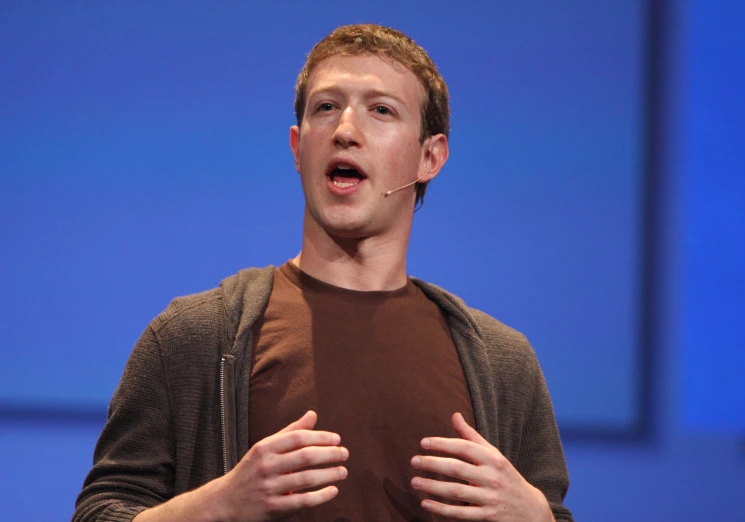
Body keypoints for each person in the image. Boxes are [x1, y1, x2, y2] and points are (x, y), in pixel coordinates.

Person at [73, 24, 573, 522]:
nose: (345, 130)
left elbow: (551, 512)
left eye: (381, 110)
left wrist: (536, 518)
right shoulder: (193, 338)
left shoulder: (504, 364)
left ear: (429, 156)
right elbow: (100, 511)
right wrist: (217, 507)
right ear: (297, 147)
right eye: (326, 107)